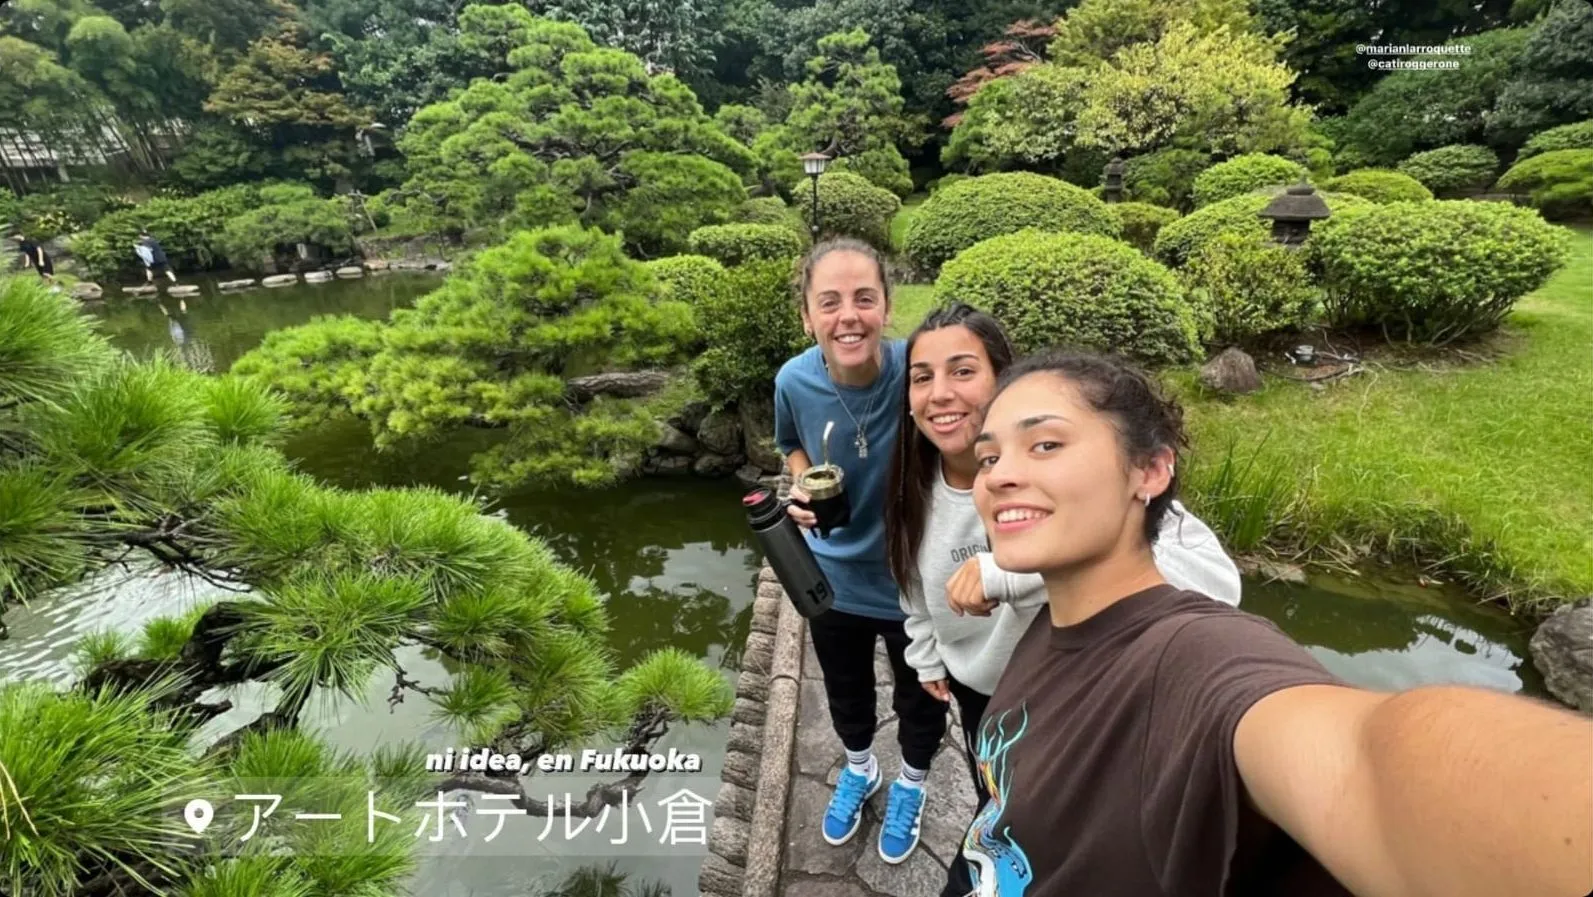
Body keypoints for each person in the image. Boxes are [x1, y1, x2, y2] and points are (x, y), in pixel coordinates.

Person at [959, 347, 1593, 896]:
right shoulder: (1052, 623)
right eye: (988, 458)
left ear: (1149, 471)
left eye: (1046, 444)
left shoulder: (1193, 656)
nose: (1002, 476)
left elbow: (1365, 765)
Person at [883, 303, 1244, 897]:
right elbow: (911, 585)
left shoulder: (1087, 485)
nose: (940, 393)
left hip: (1063, 696)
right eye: (922, 377)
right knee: (998, 799)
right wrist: (927, 654)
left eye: (963, 371)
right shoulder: (909, 485)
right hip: (979, 689)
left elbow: (1211, 583)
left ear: (1005, 380)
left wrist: (1004, 573)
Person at [774, 238, 949, 865]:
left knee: (921, 694)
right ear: (807, 317)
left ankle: (912, 782)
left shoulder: (919, 372)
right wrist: (802, 481)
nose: (848, 316)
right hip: (833, 580)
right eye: (829, 302)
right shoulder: (793, 381)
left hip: (913, 580)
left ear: (886, 307)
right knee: (846, 689)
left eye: (863, 298)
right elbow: (789, 443)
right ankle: (859, 768)